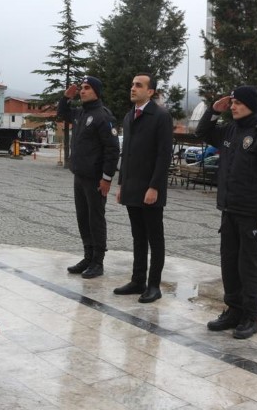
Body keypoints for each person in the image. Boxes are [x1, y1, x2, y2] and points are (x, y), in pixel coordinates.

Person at [196, 85, 257, 339]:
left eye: (237, 102)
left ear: (250, 105)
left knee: (248, 266)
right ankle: (233, 310)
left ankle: (250, 316)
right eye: (232, 102)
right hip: (230, 209)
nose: (233, 106)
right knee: (229, 263)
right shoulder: (231, 130)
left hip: (251, 213)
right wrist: (214, 110)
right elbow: (203, 132)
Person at [114, 73, 173, 304]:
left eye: (138, 85)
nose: (133, 88)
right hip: (132, 187)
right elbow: (126, 154)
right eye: (132, 84)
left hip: (150, 189)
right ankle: (137, 280)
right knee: (138, 236)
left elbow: (163, 155)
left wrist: (155, 186)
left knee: (154, 238)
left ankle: (154, 285)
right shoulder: (130, 116)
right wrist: (121, 184)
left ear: (150, 92)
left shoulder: (160, 116)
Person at [57, 76, 120, 279]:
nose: (82, 91)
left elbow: (112, 150)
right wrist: (66, 98)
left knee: (96, 218)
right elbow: (62, 113)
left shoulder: (103, 116)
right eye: (82, 88)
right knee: (83, 217)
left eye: (86, 88)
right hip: (80, 175)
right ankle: (87, 256)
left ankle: (98, 261)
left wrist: (106, 178)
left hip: (95, 179)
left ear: (96, 92)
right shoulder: (81, 113)